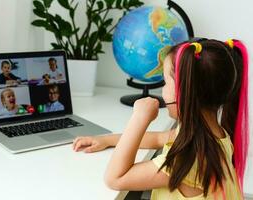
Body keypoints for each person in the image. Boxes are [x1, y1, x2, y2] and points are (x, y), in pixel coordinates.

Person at [72, 39, 249, 199]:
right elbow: (158, 138)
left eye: (165, 82)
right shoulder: (213, 135)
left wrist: (140, 117)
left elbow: (116, 178)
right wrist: (106, 140)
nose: (162, 91)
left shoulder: (187, 159)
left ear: (184, 92)